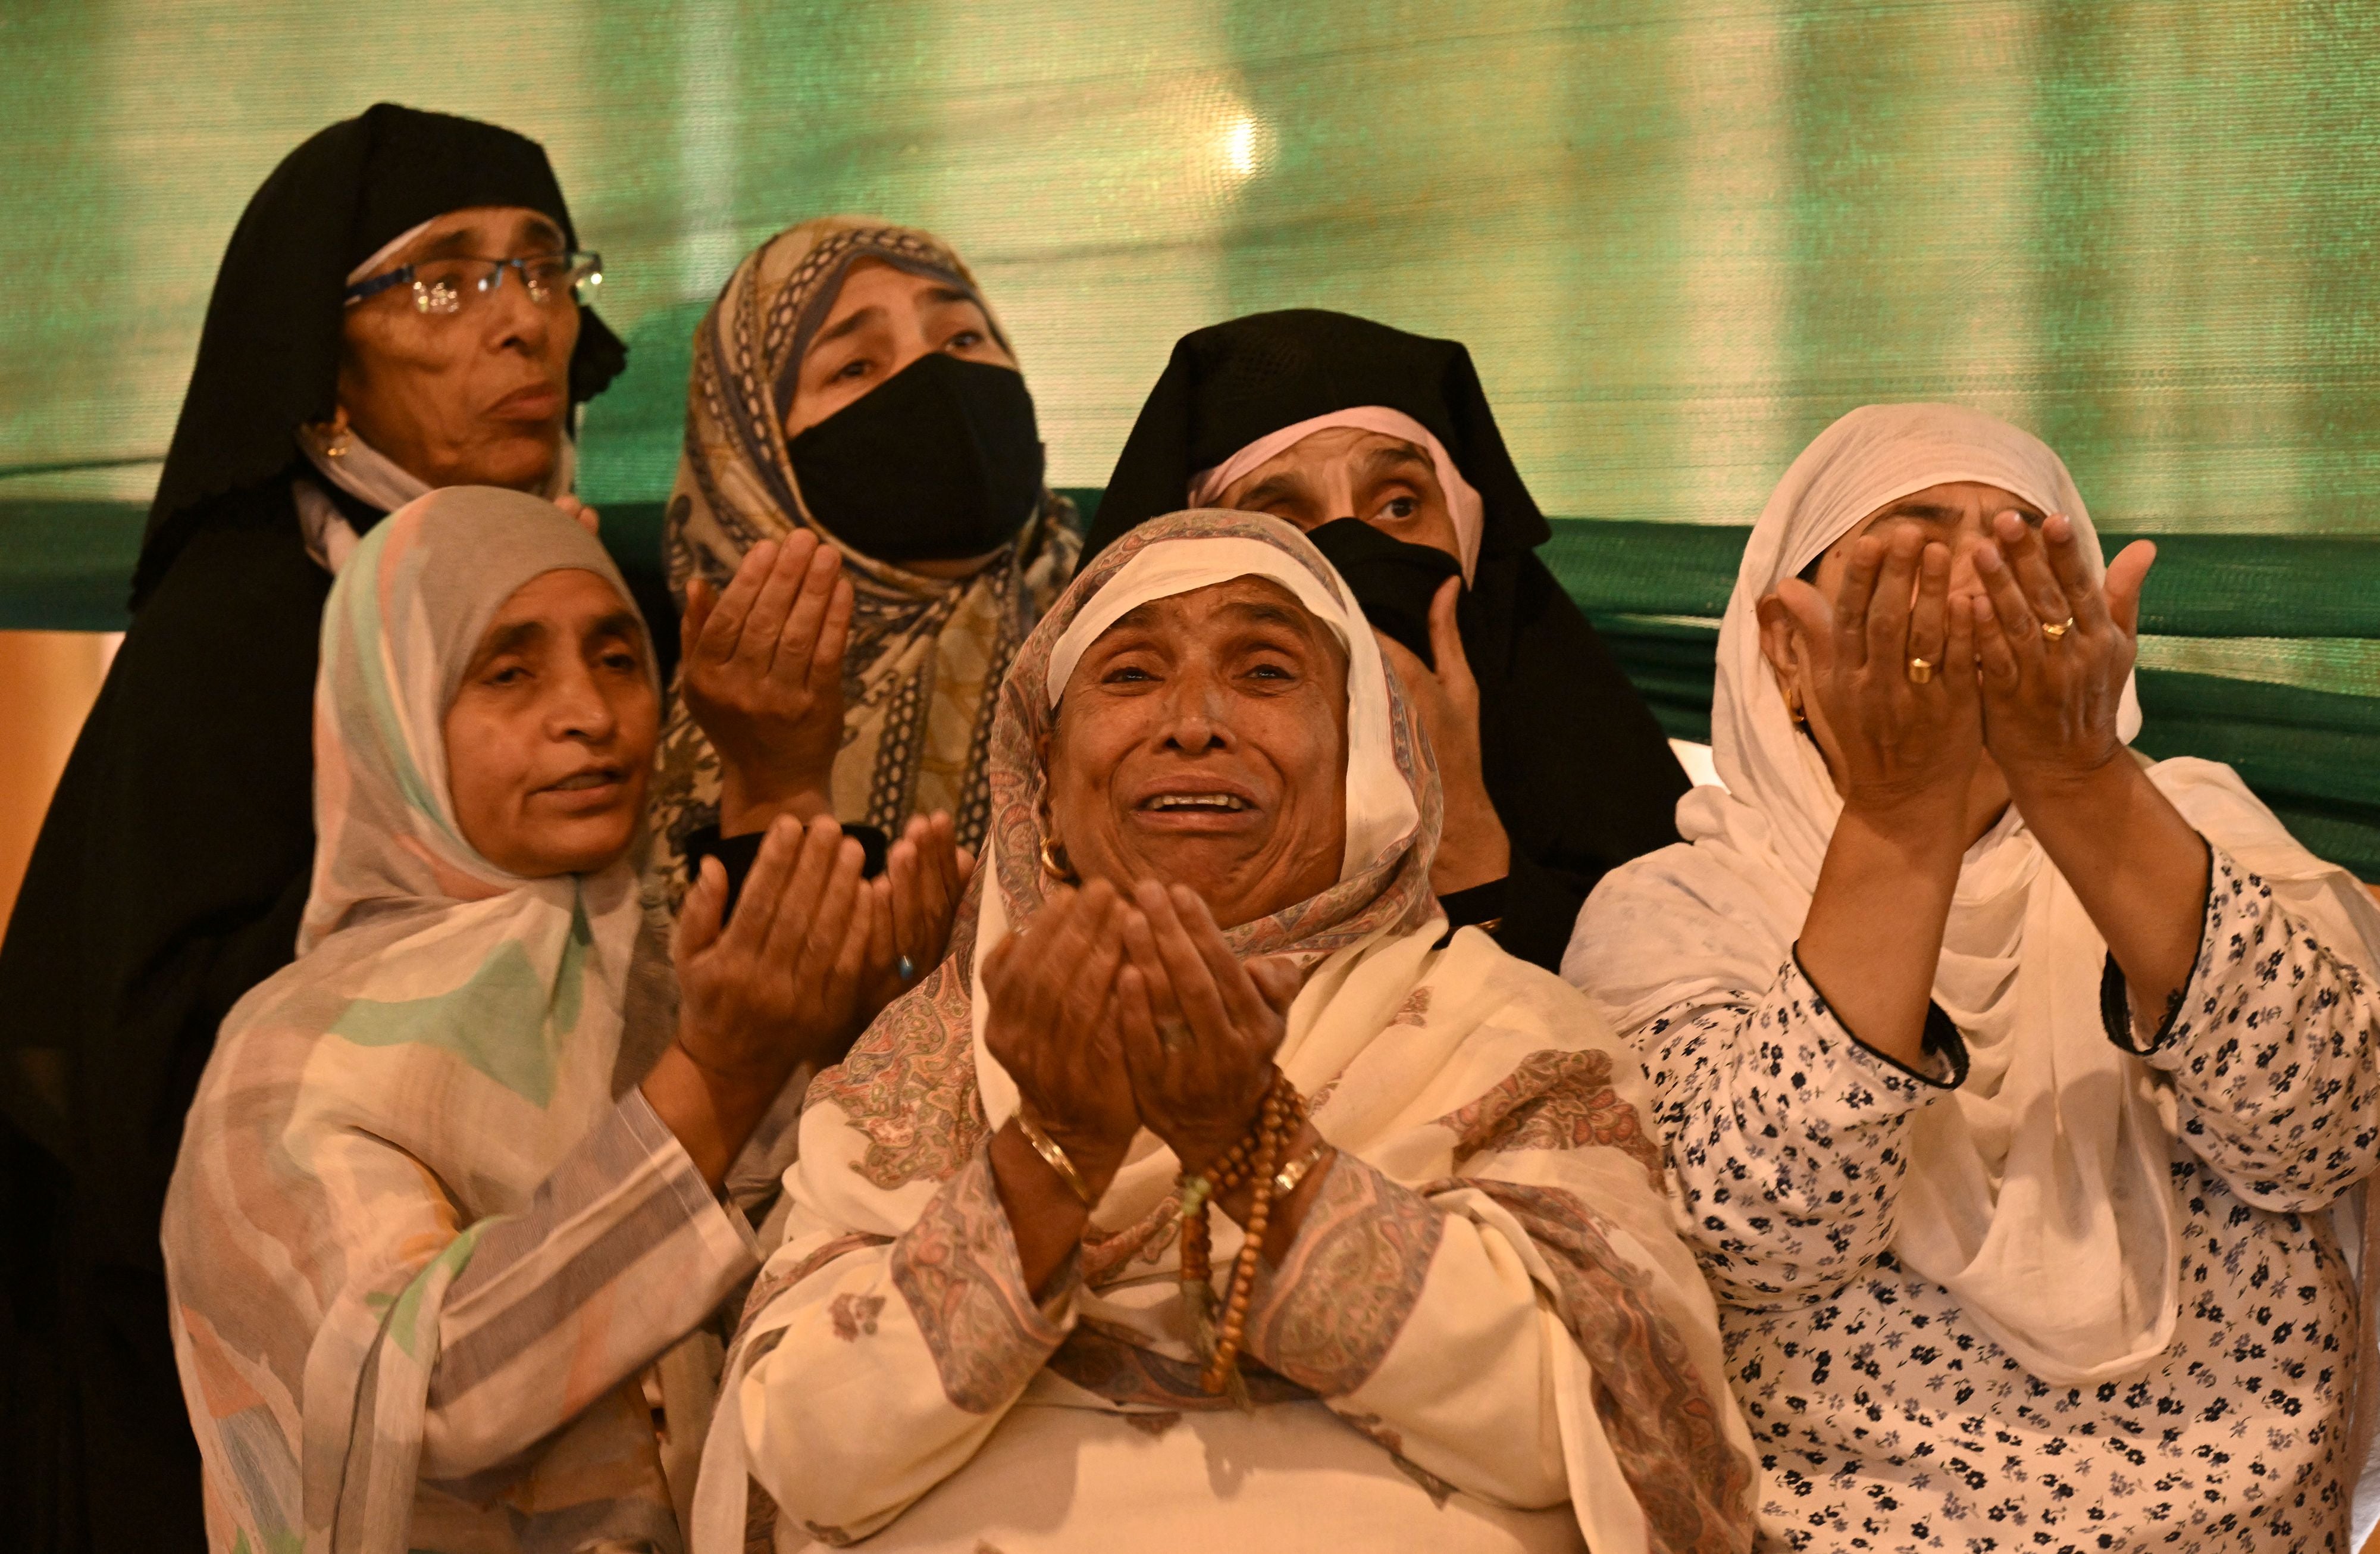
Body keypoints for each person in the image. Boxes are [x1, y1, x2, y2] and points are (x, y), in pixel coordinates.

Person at [692, 510, 1757, 1554]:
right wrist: (1046, 1159)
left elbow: (1611, 1430)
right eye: (1130, 675)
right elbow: (800, 1453)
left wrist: (1262, 1155)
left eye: (1263, 672)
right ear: (1046, 771)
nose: (1192, 720)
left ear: (1367, 757)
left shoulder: (1506, 1030)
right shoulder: (928, 1062)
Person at [1563, 404, 2380, 1549]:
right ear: (1787, 652)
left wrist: (2082, 775)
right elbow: (1758, 1229)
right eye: (1908, 558)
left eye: (2014, 556)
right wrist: (1900, 821)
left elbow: (2320, 1128)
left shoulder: (2196, 829)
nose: (1967, 602)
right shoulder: (1680, 908)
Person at [0, 104, 624, 1554]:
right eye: (449, 279)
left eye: (542, 268)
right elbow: (136, 1055)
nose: (522, 324)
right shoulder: (246, 627)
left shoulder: (588, 608)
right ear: (322, 371)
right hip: (220, 1369)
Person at [163, 486, 892, 1553]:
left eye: (616, 659)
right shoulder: (294, 1056)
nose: (590, 715)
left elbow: (821, 1246)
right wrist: (718, 1077)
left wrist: (780, 779)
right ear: (395, 715)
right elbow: (437, 1385)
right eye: (509, 671)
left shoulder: (647, 967)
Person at [1083, 309, 1687, 973]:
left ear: (1467, 537)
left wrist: (1458, 824)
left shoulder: (1610, 803)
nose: (1354, 551)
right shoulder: (1143, 769)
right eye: (1281, 519)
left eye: (1398, 506)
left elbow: (1644, 1040)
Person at [646, 218, 1079, 905]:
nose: (937, 378)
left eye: (964, 338)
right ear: (754, 460)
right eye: (855, 366)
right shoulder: (708, 727)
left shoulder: (1120, 622)